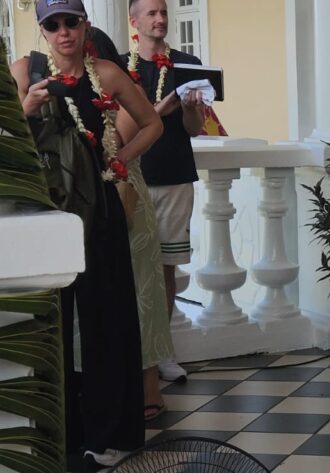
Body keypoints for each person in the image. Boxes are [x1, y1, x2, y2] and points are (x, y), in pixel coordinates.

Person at [12, 0, 163, 466]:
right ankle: (56, 434)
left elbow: (152, 123)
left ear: (85, 25)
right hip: (45, 213)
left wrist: (119, 161)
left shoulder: (107, 74)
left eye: (71, 22)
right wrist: (26, 107)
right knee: (50, 324)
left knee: (107, 320)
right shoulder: (25, 71)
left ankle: (109, 433)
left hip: (98, 208)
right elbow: (8, 141)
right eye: (53, 24)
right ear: (42, 30)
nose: (63, 32)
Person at [87, 26, 176, 423]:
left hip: (125, 197)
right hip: (99, 199)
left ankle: (149, 389)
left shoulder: (120, 91)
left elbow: (114, 146)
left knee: (141, 291)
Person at [126, 0, 207, 385]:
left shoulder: (187, 64)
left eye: (163, 13)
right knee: (129, 267)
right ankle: (131, 352)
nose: (160, 19)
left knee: (166, 267)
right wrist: (159, 108)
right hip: (130, 178)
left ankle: (162, 352)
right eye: (151, 14)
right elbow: (122, 127)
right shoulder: (119, 68)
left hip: (174, 175)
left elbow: (193, 128)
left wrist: (189, 108)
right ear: (134, 21)